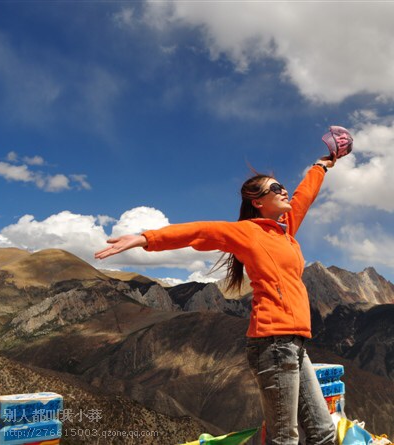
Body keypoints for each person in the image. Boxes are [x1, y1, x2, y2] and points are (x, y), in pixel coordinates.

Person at [94, 155, 339, 445]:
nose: (284, 191)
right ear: (257, 202)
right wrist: (146, 238)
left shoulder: (287, 232)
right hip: (273, 343)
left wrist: (320, 166)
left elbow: (304, 196)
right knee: (284, 437)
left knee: (323, 433)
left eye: (282, 186)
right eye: (275, 188)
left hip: (296, 343)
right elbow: (198, 231)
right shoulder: (247, 232)